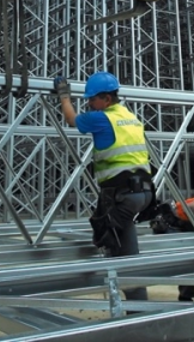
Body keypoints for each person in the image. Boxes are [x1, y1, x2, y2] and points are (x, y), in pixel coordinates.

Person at [53, 70, 154, 303]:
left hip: (122, 194)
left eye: (92, 98)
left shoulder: (101, 118)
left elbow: (71, 119)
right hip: (143, 192)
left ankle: (134, 306)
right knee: (123, 247)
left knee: (109, 242)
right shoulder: (130, 116)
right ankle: (134, 304)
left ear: (106, 99)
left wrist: (64, 95)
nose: (89, 103)